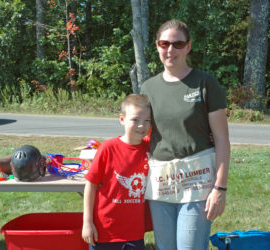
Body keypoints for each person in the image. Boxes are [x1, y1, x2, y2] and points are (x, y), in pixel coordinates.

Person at [140, 19, 230, 250]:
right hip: (162, 183)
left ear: (188, 47)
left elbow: (221, 138)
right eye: (165, 43)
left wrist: (220, 188)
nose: (171, 50)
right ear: (157, 46)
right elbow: (139, 134)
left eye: (178, 44)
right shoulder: (148, 88)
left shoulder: (205, 83)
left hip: (197, 181)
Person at [82, 94, 152, 250]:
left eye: (147, 121)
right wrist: (87, 222)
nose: (141, 126)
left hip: (134, 233)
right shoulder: (108, 148)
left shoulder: (150, 147)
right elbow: (90, 185)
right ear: (122, 119)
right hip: (105, 232)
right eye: (135, 120)